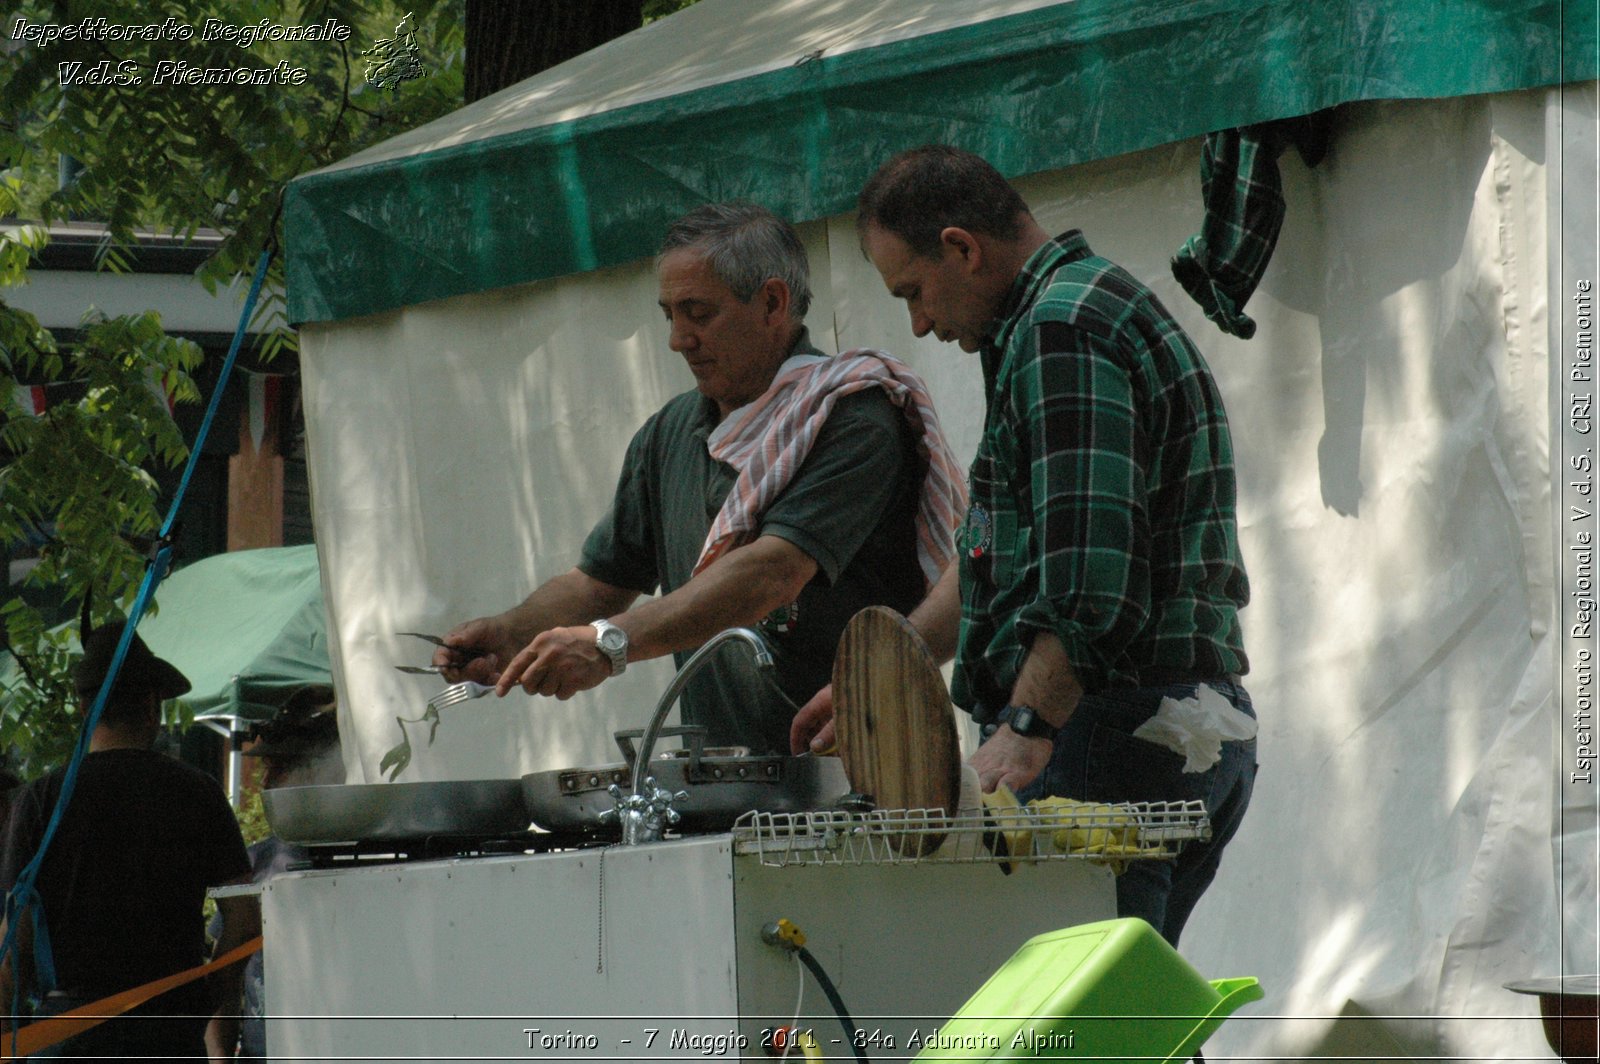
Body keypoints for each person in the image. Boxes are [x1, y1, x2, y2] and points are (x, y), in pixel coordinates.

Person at [795, 145, 1257, 949]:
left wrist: (1026, 726)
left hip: (1106, 739)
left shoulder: (1060, 328)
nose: (919, 324)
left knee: (1084, 1038)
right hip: (1166, 729)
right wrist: (889, 673)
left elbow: (1087, 579)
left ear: (963, 248)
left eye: (913, 291)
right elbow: (997, 559)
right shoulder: (1074, 313)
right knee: (1129, 1029)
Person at [437, 201, 964, 755]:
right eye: (670, 315)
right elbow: (600, 582)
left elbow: (772, 572)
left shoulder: (851, 414)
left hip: (866, 768)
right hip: (724, 783)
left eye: (698, 313)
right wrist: (511, 632)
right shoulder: (670, 432)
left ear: (771, 302)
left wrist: (609, 643)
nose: (678, 339)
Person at [0, 621, 258, 1061]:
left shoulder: (41, 800)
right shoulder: (198, 794)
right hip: (168, 1037)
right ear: (153, 704)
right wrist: (212, 996)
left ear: (84, 708)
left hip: (67, 1036)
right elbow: (244, 916)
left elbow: (15, 943)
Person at [205, 686, 341, 1063]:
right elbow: (225, 977)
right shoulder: (254, 863)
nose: (265, 784)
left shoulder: (372, 863)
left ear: (328, 767)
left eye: (280, 767)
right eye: (267, 768)